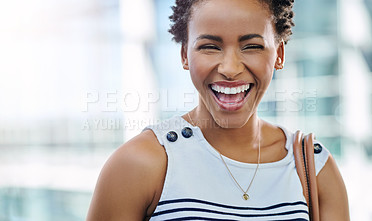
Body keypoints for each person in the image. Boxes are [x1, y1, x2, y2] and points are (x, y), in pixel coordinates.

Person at [86, 0, 350, 220]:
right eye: (210, 46)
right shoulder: (140, 163)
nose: (230, 68)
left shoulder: (314, 168)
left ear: (279, 54)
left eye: (252, 46)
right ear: (184, 55)